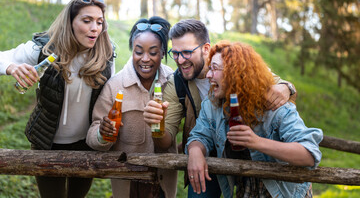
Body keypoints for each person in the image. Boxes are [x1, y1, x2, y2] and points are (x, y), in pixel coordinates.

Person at [143, 19, 297, 197]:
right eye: (175, 53)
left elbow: (275, 85)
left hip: (246, 150)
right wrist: (157, 126)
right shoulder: (175, 84)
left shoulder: (234, 62)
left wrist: (287, 87)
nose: (180, 60)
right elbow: (166, 140)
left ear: (206, 49)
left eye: (186, 52)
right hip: (204, 154)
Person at [0, 0, 115, 198]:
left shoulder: (106, 56)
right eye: (86, 21)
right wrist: (11, 67)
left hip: (85, 145)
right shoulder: (44, 48)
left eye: (99, 22)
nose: (95, 28)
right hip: (46, 143)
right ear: (70, 22)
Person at [186, 40, 323, 197]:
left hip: (284, 192)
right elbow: (200, 135)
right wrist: (195, 151)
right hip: (247, 190)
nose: (208, 75)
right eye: (209, 69)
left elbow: (309, 154)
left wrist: (256, 142)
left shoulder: (274, 106)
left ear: (235, 73)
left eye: (214, 69)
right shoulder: (212, 105)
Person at [86, 16, 177, 198]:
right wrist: (102, 134)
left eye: (153, 52)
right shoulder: (115, 85)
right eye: (138, 51)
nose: (145, 59)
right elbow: (92, 134)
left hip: (162, 184)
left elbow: (175, 130)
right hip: (126, 184)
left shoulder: (173, 82)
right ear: (132, 51)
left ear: (163, 53)